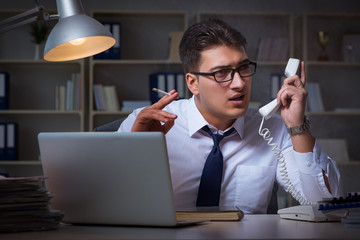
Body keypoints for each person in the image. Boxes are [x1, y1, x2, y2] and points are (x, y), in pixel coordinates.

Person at [118, 19, 342, 213]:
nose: (239, 83)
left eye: (244, 68)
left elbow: (326, 205)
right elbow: (112, 202)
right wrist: (138, 150)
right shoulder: (146, 123)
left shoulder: (273, 130)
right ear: (193, 83)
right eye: (221, 73)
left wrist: (297, 125)